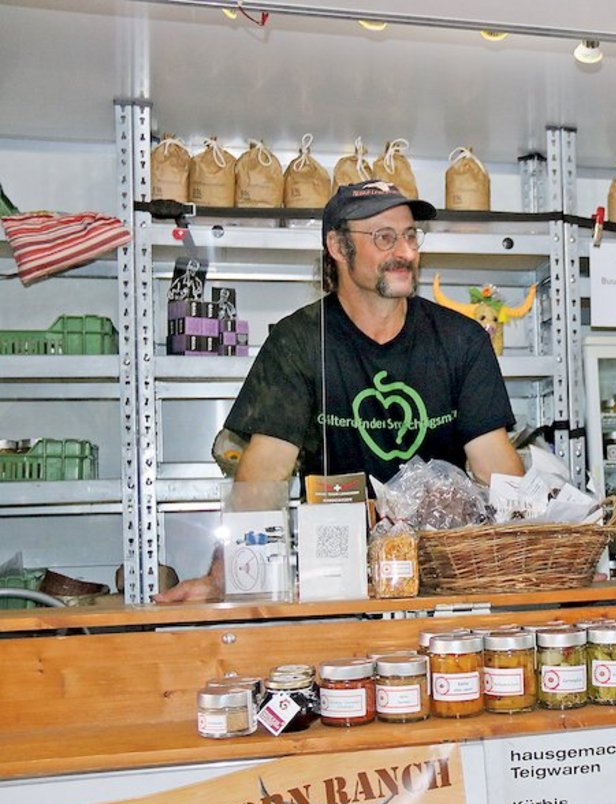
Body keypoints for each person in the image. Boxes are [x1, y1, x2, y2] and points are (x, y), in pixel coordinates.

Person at [158, 180, 524, 602]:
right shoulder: (299, 341)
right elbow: (263, 478)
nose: (404, 252)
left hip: (445, 582)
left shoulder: (461, 340)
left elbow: (498, 475)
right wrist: (223, 577)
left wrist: (523, 559)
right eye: (384, 238)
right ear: (337, 245)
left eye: (409, 236)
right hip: (338, 579)